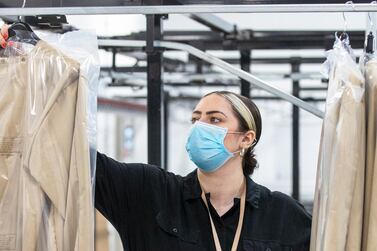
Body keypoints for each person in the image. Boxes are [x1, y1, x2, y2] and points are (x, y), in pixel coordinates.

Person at [0, 26, 311, 251]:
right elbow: (74, 156)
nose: (200, 127)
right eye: (195, 119)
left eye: (215, 120)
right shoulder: (150, 193)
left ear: (247, 138)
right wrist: (32, 60)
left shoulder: (283, 215)